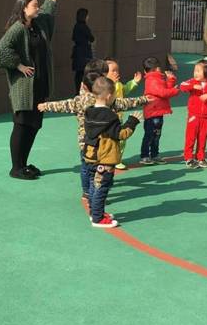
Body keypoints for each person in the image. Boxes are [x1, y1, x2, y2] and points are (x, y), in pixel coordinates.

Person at [38, 59, 148, 200]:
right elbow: (124, 103)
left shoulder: (80, 100)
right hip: (103, 144)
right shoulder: (105, 100)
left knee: (87, 169)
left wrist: (45, 106)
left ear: (84, 86)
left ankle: (88, 192)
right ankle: (97, 192)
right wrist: (143, 99)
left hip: (86, 143)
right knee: (100, 171)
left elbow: (62, 105)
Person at [0, 0, 62, 180]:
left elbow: (49, 9)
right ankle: (16, 168)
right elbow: (1, 51)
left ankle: (23, 164)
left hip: (39, 85)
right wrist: (19, 65)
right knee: (22, 126)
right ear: (24, 8)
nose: (38, 8)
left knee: (34, 125)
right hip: (24, 88)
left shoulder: (39, 25)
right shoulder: (17, 29)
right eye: (34, 5)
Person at [84, 76, 142, 228]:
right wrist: (132, 122)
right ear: (109, 96)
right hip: (105, 159)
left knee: (93, 185)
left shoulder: (89, 112)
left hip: (91, 156)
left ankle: (94, 212)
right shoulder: (110, 116)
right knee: (102, 187)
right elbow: (120, 134)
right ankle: (97, 218)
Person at [180, 59, 207, 169]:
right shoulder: (192, 81)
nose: (196, 73)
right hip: (194, 115)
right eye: (195, 70)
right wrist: (192, 86)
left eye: (198, 71)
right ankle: (188, 158)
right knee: (190, 138)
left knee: (203, 138)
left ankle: (200, 158)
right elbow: (182, 85)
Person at [139, 56, 179, 165]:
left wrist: (170, 79)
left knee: (156, 135)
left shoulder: (158, 78)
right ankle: (145, 156)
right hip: (152, 113)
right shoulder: (152, 80)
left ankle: (154, 155)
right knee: (149, 135)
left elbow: (165, 89)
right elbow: (163, 93)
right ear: (157, 68)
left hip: (158, 112)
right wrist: (175, 91)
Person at [105, 57, 142, 169]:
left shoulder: (119, 84)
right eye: (113, 71)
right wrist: (111, 84)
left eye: (117, 70)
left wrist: (134, 82)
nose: (116, 73)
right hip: (108, 119)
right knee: (109, 140)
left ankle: (117, 159)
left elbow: (125, 89)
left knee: (121, 139)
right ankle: (108, 158)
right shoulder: (104, 86)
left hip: (119, 117)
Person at [71, 8, 95, 94]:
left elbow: (74, 38)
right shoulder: (84, 27)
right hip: (84, 53)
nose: (88, 17)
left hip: (78, 53)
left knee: (79, 74)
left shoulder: (76, 26)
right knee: (84, 73)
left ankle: (78, 92)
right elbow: (92, 38)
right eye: (87, 15)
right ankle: (82, 92)